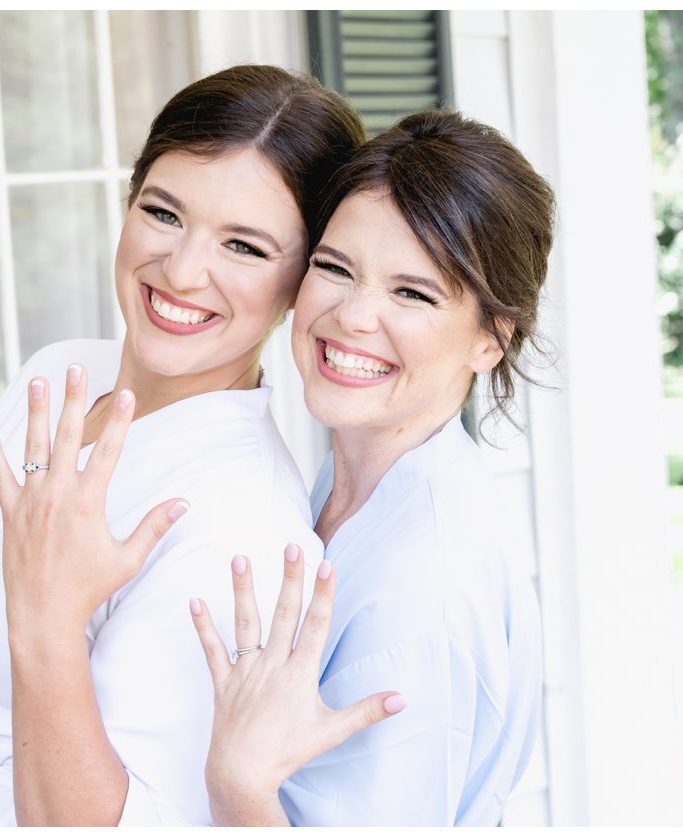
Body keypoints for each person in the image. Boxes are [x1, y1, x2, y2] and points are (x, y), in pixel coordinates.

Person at [0, 65, 367, 826]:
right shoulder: (56, 374)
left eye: (245, 247)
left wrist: (48, 614)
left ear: (301, 283)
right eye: (164, 212)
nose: (183, 270)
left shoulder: (241, 524)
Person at [188, 110, 551, 826]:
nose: (352, 316)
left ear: (490, 340)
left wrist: (237, 789)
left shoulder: (418, 590)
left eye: (412, 292)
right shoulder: (358, 479)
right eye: (334, 267)